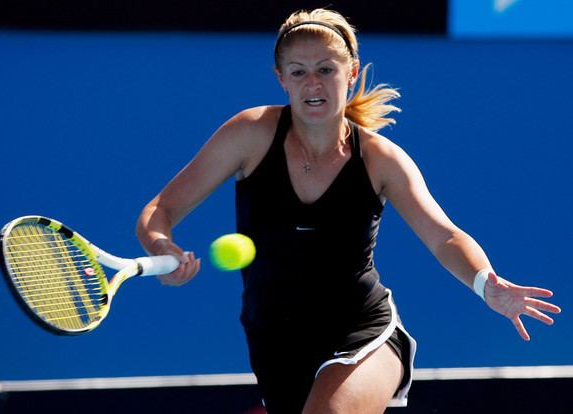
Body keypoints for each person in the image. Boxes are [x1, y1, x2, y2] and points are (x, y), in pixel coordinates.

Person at [136, 8, 561, 414]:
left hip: (363, 333)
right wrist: (160, 242)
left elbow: (444, 235)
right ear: (280, 78)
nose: (312, 83)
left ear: (351, 72)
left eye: (326, 69)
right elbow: (162, 207)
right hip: (274, 344)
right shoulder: (250, 134)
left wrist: (486, 283)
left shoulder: (381, 159)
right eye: (298, 72)